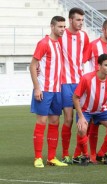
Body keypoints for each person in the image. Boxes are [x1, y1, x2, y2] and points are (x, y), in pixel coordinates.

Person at [30, 16, 67, 168]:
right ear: (52, 27)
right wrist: (37, 87)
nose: (63, 29)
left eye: (64, 27)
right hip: (44, 90)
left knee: (55, 122)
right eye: (60, 27)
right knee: (42, 122)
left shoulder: (59, 43)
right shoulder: (44, 43)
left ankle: (51, 158)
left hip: (57, 90)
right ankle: (38, 157)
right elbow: (32, 65)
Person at [72, 54, 107, 166]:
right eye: (106, 65)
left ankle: (101, 154)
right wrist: (81, 117)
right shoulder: (87, 78)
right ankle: (85, 156)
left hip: (102, 110)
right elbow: (75, 97)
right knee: (82, 129)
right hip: (85, 110)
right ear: (98, 66)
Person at [83, 18, 107, 163]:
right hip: (95, 89)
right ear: (103, 30)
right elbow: (82, 62)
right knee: (93, 124)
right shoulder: (93, 45)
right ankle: (91, 155)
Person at [58, 7, 90, 164]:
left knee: (82, 120)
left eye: (83, 20)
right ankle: (65, 153)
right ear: (70, 20)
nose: (81, 23)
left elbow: (87, 55)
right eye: (78, 20)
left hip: (80, 82)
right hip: (65, 83)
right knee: (69, 120)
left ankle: (81, 153)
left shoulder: (84, 36)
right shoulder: (61, 35)